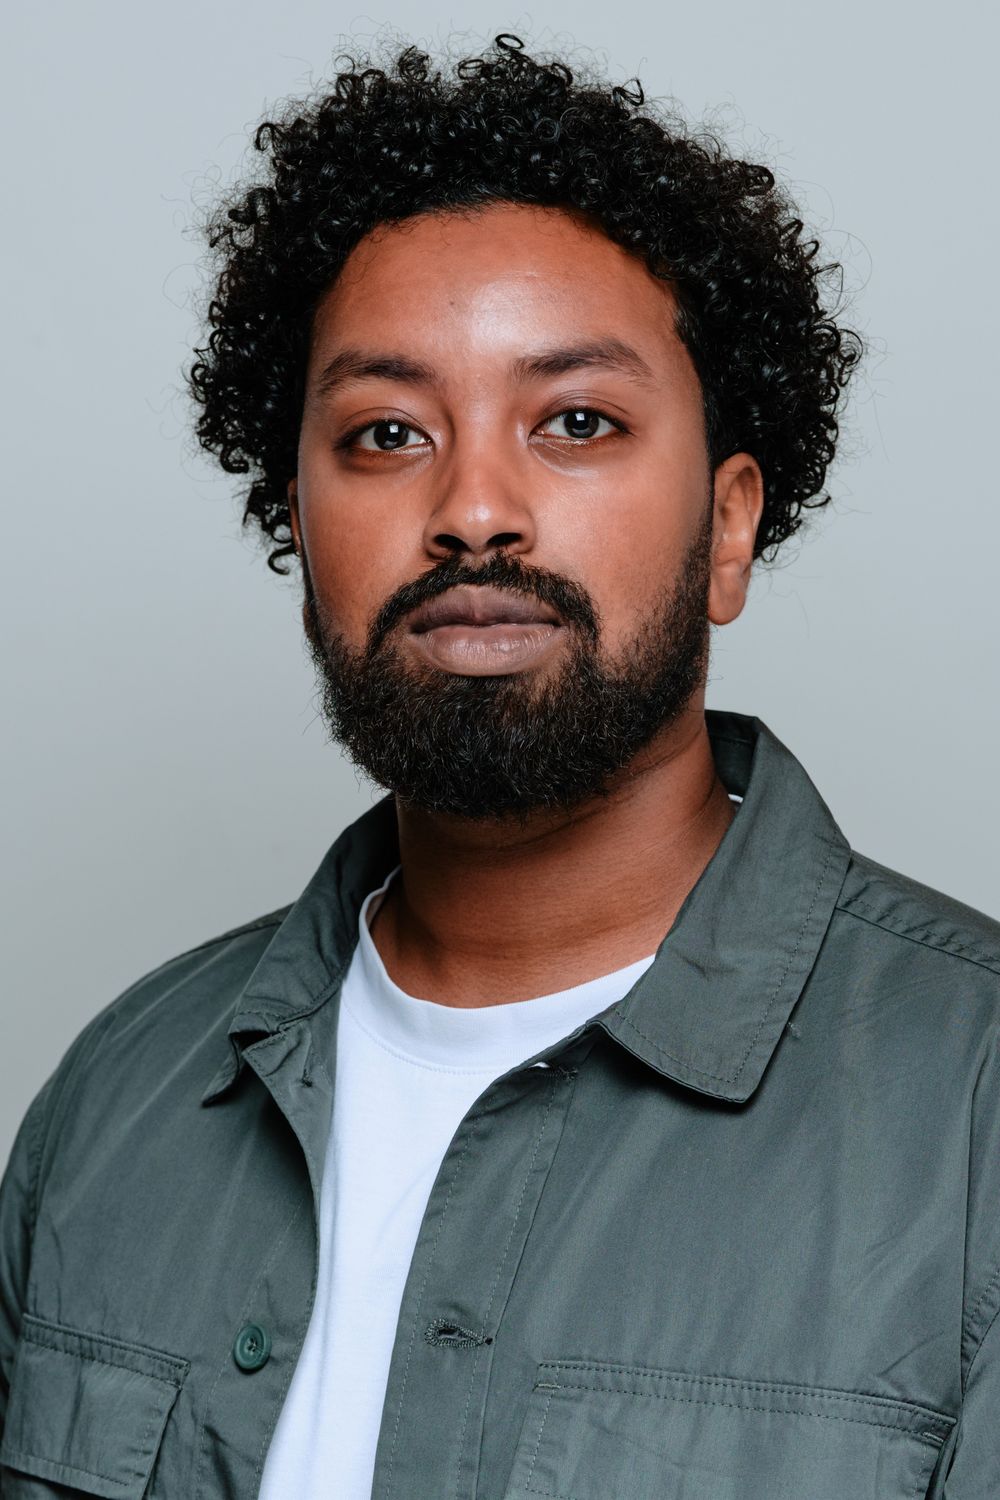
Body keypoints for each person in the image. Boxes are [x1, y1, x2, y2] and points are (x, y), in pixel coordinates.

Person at [0, 32, 996, 1499]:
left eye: (577, 422)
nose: (474, 508)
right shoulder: (119, 1099)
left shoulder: (971, 1117)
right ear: (299, 527)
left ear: (728, 529)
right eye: (386, 432)